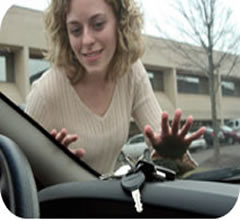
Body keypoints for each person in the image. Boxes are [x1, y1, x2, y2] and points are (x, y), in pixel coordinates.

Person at [25, 0, 205, 176]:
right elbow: (16, 176)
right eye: (75, 30)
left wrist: (170, 154)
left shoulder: (131, 71)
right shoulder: (45, 93)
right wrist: (49, 169)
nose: (86, 40)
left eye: (98, 24)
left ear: (120, 22)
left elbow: (159, 139)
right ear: (65, 33)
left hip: (109, 200)